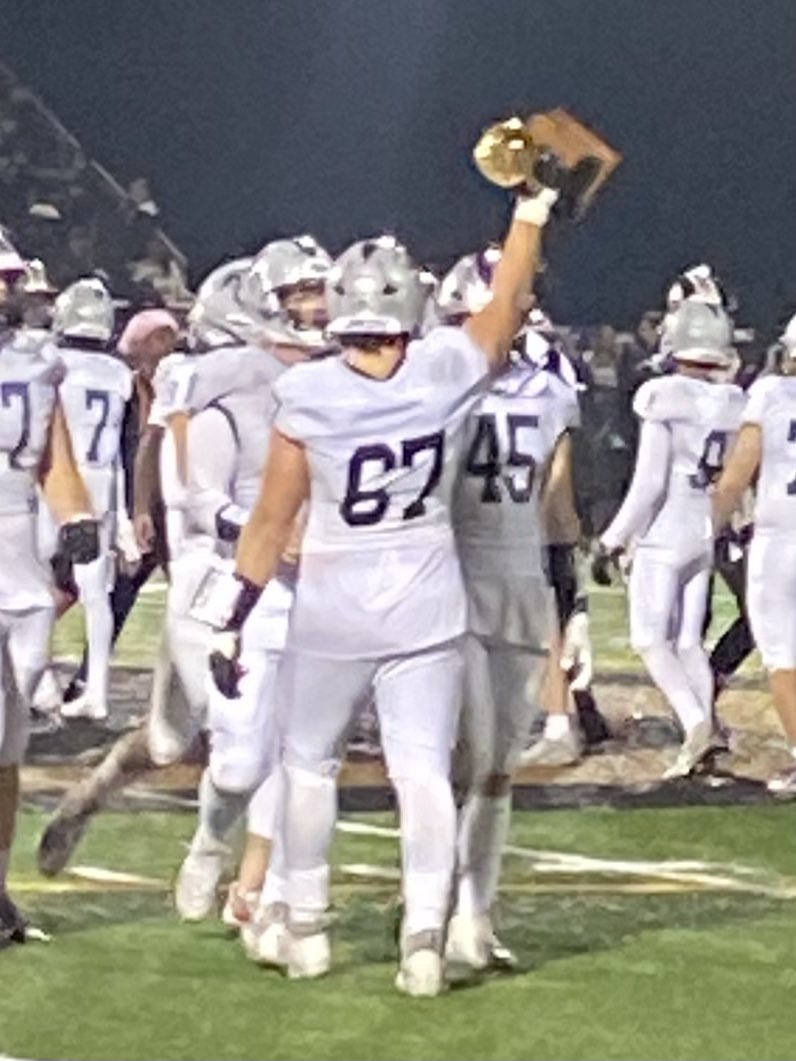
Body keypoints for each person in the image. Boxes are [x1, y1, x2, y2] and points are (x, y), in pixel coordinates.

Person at [206, 175, 560, 995]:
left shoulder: (309, 392)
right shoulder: (440, 369)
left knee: (308, 766)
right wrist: (530, 214)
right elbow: (505, 307)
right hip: (427, 599)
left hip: (333, 601)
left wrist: (233, 614)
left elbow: (268, 522)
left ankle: (308, 929)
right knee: (424, 774)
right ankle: (425, 942)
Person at [431, 250, 581, 970]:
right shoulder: (430, 387)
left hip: (518, 582)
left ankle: (473, 914)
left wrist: (570, 600)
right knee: (445, 761)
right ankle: (429, 908)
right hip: (447, 582)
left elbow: (557, 509)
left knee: (496, 767)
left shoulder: (551, 392)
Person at [594, 300, 744, 779]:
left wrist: (612, 539)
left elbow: (649, 484)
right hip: (705, 526)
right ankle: (707, 734)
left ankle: (698, 724)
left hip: (666, 529)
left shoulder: (663, 394)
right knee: (686, 643)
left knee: (649, 638)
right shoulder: (732, 401)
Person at [0, 234, 99, 943]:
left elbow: (53, 457)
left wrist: (78, 516)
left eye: (7, 280)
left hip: (21, 573)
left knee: (9, 748)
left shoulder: (36, 363)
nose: (5, 292)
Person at [41, 279, 136, 722]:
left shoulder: (51, 361)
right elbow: (121, 447)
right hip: (103, 483)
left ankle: (34, 681)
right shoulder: (119, 374)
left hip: (59, 480)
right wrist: (124, 519)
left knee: (36, 581)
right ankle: (96, 689)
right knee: (96, 593)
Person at [713, 312, 796, 791]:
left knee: (783, 652)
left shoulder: (770, 394)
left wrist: (709, 529)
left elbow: (736, 475)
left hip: (781, 539)